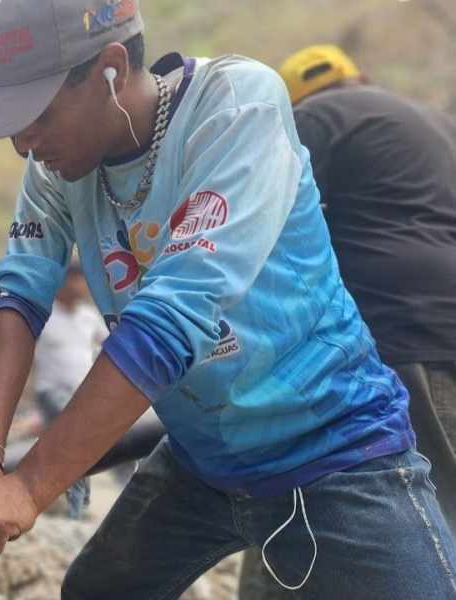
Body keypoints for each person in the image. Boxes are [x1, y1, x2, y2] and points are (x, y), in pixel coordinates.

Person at [0, 1, 456, 598]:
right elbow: (20, 293)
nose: (23, 142)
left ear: (109, 68)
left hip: (331, 446)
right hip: (202, 458)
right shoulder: (55, 169)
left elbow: (172, 317)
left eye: (38, 114)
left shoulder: (236, 105)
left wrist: (27, 490)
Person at [238, 44, 456, 600]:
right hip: (443, 322)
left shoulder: (313, 118)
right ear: (361, 75)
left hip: (400, 329)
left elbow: (270, 222)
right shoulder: (431, 122)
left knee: (425, 523)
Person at [33, 259, 107, 519]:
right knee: (77, 434)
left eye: (84, 279)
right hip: (52, 391)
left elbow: (112, 346)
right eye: (76, 278)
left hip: (83, 395)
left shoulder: (89, 317)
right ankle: (74, 511)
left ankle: (72, 504)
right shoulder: (44, 315)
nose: (82, 285)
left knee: (77, 447)